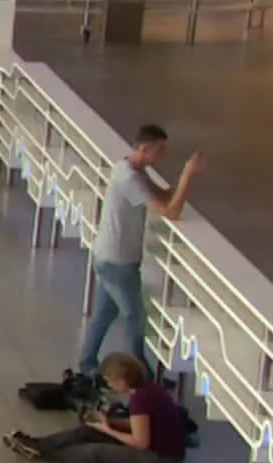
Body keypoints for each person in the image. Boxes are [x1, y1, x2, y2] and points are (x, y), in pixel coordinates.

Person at [76, 125, 204, 375]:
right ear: (145, 149)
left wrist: (185, 177)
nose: (163, 155)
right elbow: (171, 211)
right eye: (160, 150)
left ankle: (87, 364)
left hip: (109, 257)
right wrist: (188, 175)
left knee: (103, 314)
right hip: (118, 262)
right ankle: (141, 376)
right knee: (135, 317)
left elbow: (166, 197)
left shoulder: (132, 170)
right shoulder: (130, 178)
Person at [4, 353, 189, 463]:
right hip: (158, 450)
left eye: (111, 380)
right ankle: (40, 444)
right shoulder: (148, 390)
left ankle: (42, 453)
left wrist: (108, 429)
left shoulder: (141, 399)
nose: (110, 386)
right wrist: (109, 422)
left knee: (96, 452)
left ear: (122, 379)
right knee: (88, 431)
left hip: (161, 461)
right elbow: (143, 425)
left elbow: (141, 442)